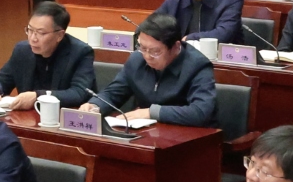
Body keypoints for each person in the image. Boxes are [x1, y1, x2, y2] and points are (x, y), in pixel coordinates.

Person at [83, 14, 215, 125]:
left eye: (155, 51)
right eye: (142, 48)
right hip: (147, 133)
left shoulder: (197, 66)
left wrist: (151, 112)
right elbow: (114, 93)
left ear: (176, 47)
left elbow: (201, 112)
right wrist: (95, 105)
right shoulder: (136, 60)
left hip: (190, 137)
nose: (147, 56)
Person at [0, 3, 96, 112]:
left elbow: (79, 93)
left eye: (41, 33)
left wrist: (38, 96)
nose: (33, 38)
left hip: (64, 117)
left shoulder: (80, 52)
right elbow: (1, 79)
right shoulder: (22, 50)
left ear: (59, 35)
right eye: (30, 30)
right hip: (27, 118)